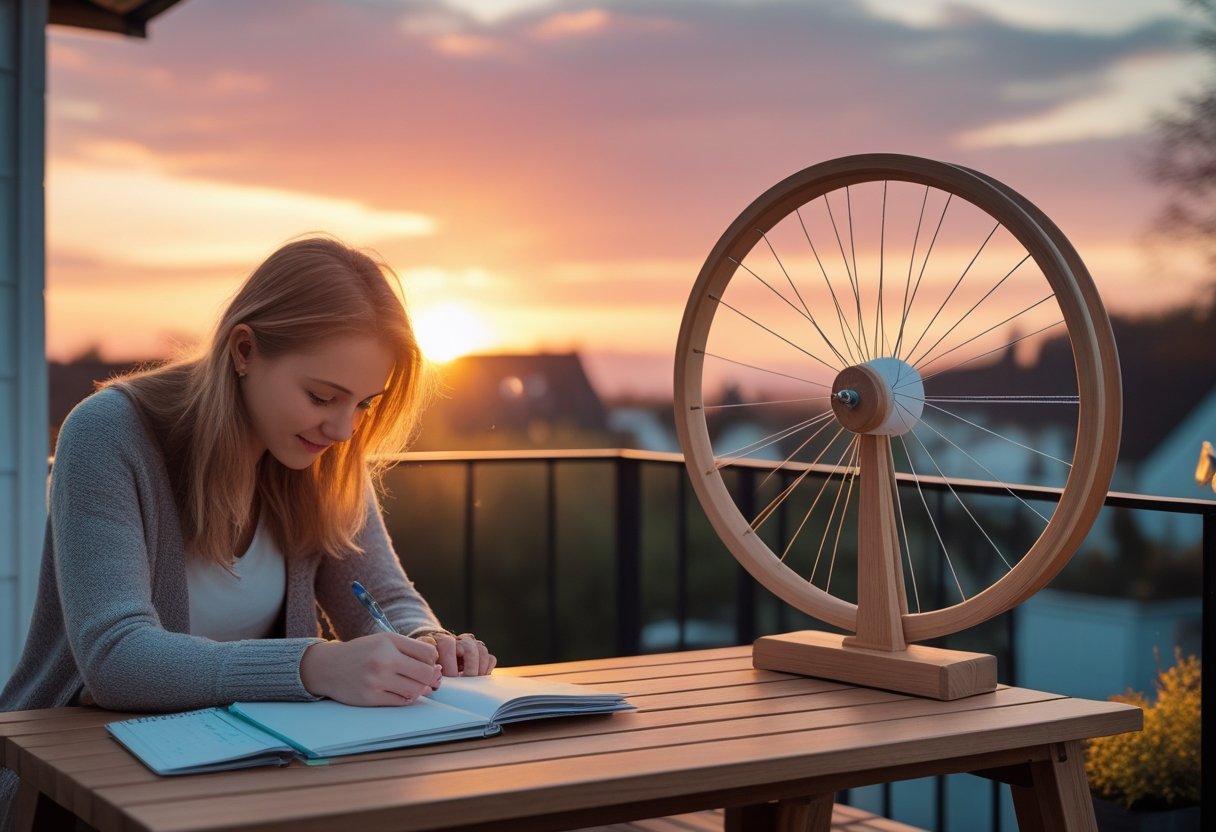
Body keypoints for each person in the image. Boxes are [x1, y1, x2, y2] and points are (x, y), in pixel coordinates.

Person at [0, 236, 494, 827]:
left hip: (249, 768)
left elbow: (381, 599)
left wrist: (427, 639)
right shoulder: (108, 435)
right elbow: (117, 656)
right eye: (322, 396)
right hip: (77, 781)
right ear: (243, 349)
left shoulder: (321, 454)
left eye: (365, 404)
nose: (343, 428)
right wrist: (314, 665)